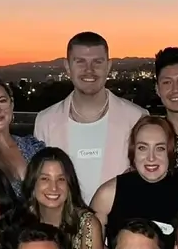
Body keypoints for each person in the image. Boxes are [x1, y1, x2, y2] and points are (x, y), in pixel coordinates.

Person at [34, 31, 147, 202]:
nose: (89, 70)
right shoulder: (45, 122)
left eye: (97, 62)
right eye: (80, 62)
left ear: (108, 66)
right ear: (67, 66)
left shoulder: (137, 118)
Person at [90, 115, 178, 249]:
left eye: (159, 148)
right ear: (133, 152)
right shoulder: (107, 194)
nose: (151, 158)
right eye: (143, 148)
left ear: (170, 152)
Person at [22, 147, 104, 249]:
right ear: (33, 184)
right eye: (45, 179)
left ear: (69, 185)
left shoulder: (87, 225)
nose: (54, 188)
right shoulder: (18, 223)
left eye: (61, 179)